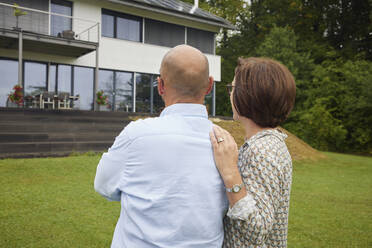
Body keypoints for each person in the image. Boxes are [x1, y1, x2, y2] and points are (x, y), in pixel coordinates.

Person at [94, 45, 228, 248]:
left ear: (161, 86)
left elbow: (104, 186)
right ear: (209, 85)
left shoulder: (136, 135)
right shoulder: (225, 143)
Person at [210, 57, 296, 247]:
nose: (230, 95)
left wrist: (230, 172)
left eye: (232, 89)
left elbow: (256, 229)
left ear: (248, 96)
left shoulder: (262, 151)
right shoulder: (270, 144)